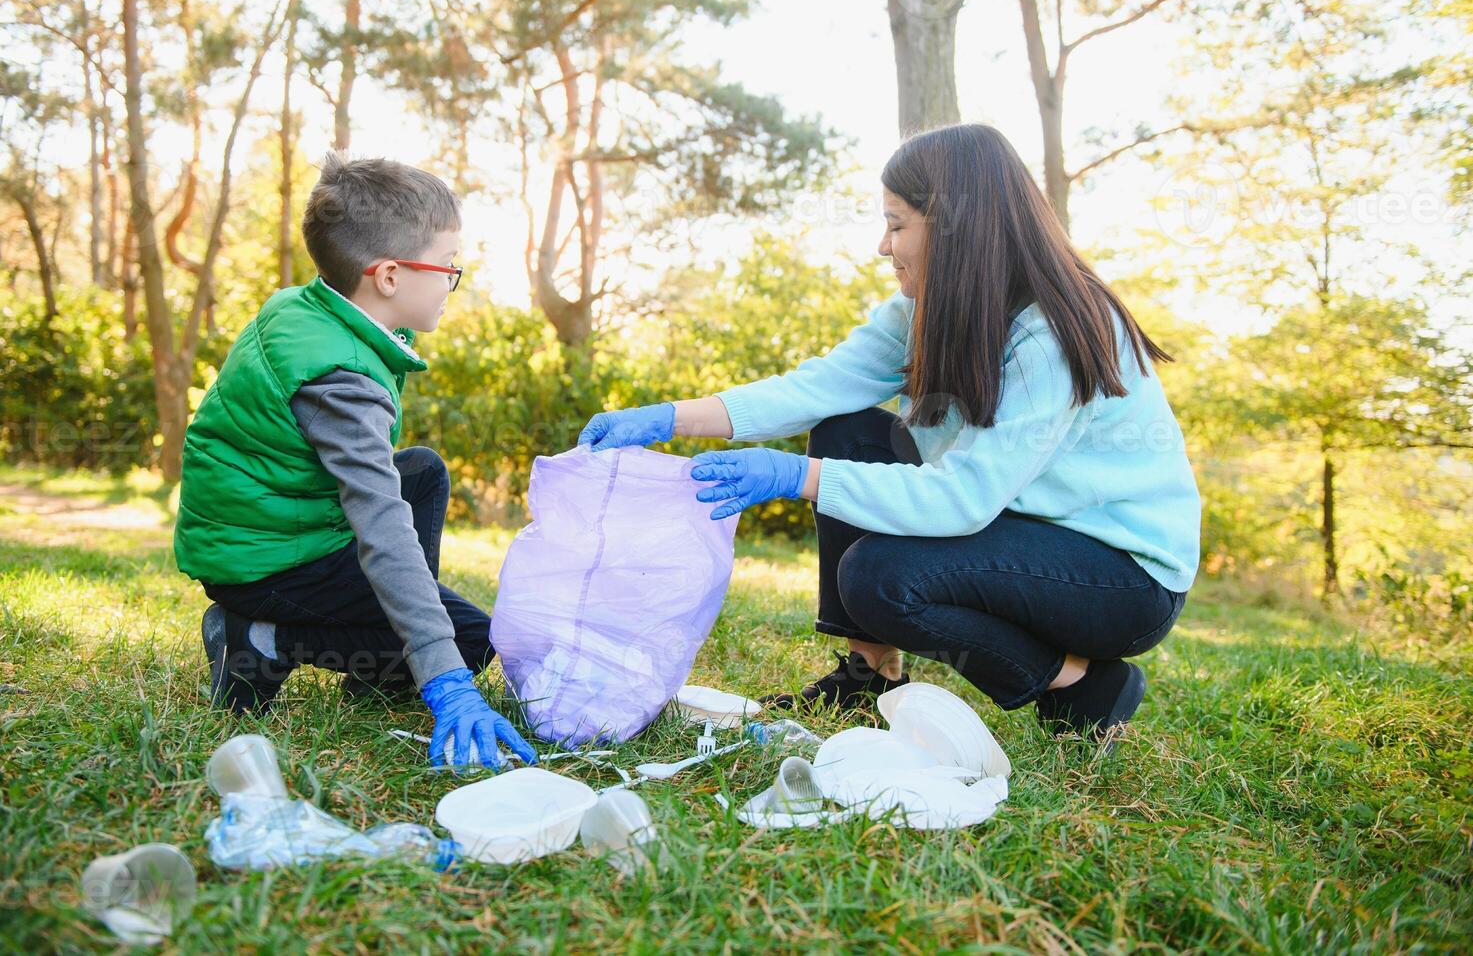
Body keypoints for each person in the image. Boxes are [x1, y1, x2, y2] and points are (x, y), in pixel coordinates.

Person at [579, 123, 1200, 747]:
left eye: (897, 224)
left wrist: (795, 478)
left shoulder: (1054, 331)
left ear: (956, 227)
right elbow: (817, 388)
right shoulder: (925, 310)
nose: (883, 246)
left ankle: (1081, 685)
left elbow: (962, 498)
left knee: (880, 577)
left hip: (1118, 575)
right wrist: (666, 418)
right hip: (1022, 529)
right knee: (849, 427)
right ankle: (866, 678)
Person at [173, 153, 536, 771]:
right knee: (470, 639)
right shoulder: (340, 380)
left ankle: (377, 661)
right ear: (390, 276)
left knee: (420, 471)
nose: (453, 279)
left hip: (267, 529)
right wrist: (442, 672)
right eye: (448, 266)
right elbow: (381, 526)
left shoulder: (309, 311)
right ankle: (259, 641)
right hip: (265, 564)